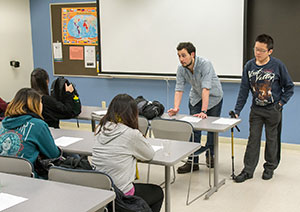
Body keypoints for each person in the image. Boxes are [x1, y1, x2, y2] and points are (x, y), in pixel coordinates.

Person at [234, 34, 294, 183]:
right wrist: (237, 110)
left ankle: (269, 168)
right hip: (256, 110)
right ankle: (248, 171)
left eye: (261, 50)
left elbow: (289, 87)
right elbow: (243, 90)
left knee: (272, 139)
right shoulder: (249, 66)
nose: (257, 53)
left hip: (273, 109)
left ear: (270, 51)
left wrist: (280, 104)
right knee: (253, 139)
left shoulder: (277, 65)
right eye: (256, 49)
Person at [92, 94, 164, 212]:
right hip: (121, 195)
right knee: (157, 192)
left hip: (101, 191)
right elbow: (149, 154)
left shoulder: (100, 128)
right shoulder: (131, 134)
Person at [168, 42, 223, 173]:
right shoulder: (181, 69)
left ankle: (211, 156)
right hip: (196, 98)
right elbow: (179, 89)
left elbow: (206, 89)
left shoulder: (205, 64)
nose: (181, 59)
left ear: (192, 54)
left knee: (211, 130)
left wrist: (204, 111)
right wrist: (176, 107)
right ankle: (192, 161)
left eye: (183, 55)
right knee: (193, 129)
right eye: (179, 56)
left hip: (214, 97)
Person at [0, 88, 61, 177]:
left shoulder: (3, 124)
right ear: (36, 105)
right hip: (29, 180)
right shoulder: (38, 125)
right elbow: (53, 154)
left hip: (4, 177)